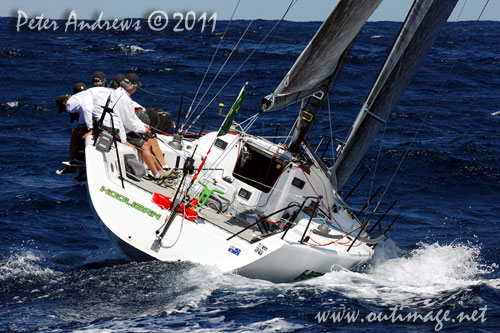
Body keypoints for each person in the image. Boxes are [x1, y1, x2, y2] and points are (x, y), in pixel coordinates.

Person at [111, 73, 170, 179]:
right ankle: (156, 174)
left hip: (122, 127)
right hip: (121, 130)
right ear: (134, 87)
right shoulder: (125, 99)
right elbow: (129, 121)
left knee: (147, 142)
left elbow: (131, 118)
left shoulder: (119, 92)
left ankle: (161, 170)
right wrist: (144, 129)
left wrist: (143, 126)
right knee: (145, 145)